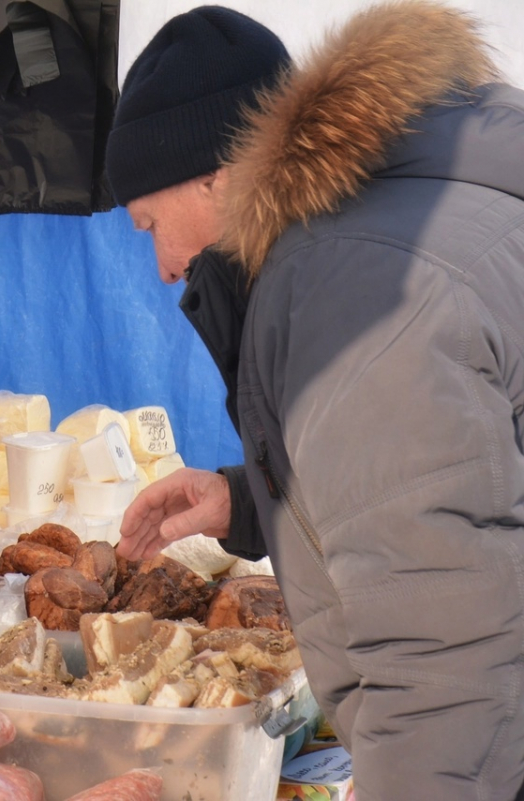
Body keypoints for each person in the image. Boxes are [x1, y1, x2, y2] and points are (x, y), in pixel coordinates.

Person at [109, 2, 524, 798]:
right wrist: (249, 498)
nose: (162, 264)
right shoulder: (400, 216)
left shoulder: (354, 288)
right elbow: (450, 476)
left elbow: (436, 651)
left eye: (148, 222)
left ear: (215, 174)